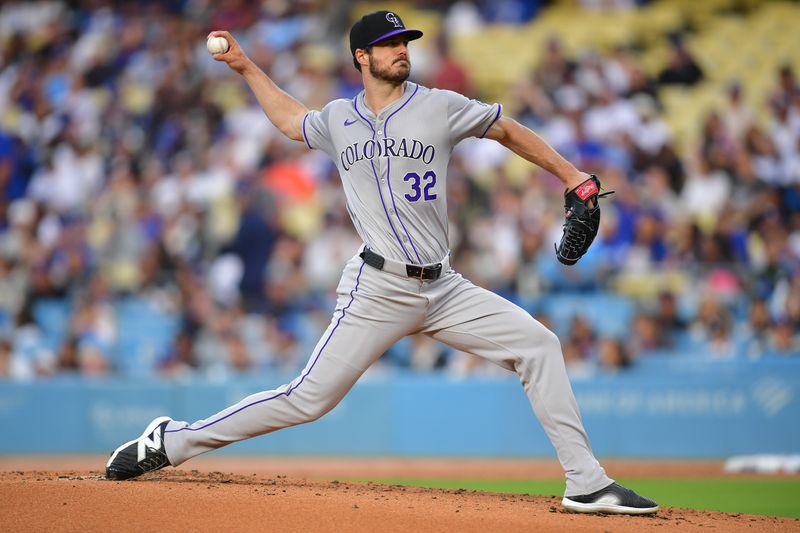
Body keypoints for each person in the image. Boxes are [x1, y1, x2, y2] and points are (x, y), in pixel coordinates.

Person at [105, 11, 658, 515]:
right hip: (376, 288)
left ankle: (586, 482)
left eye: (404, 41)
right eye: (388, 43)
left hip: (444, 288)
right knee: (306, 400)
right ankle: (171, 441)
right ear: (361, 58)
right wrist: (247, 67)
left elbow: (507, 129)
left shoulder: (439, 104)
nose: (401, 49)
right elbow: (291, 120)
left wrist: (572, 177)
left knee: (539, 345)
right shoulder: (339, 118)